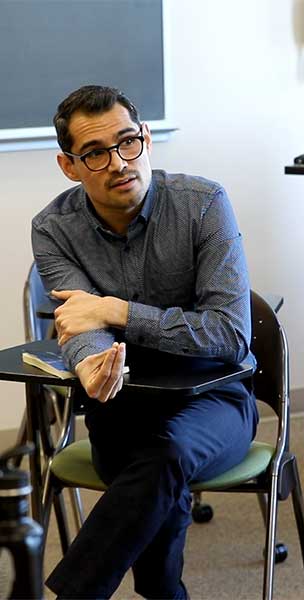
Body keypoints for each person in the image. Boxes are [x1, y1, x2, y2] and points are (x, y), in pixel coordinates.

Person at [33, 85, 258, 599]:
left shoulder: (204, 205)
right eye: (95, 153)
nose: (119, 162)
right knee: (157, 468)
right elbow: (80, 325)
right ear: (69, 166)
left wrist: (116, 311)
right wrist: (90, 365)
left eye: (128, 142)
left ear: (147, 139)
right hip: (122, 403)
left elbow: (229, 332)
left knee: (167, 457)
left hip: (216, 398)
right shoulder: (53, 229)